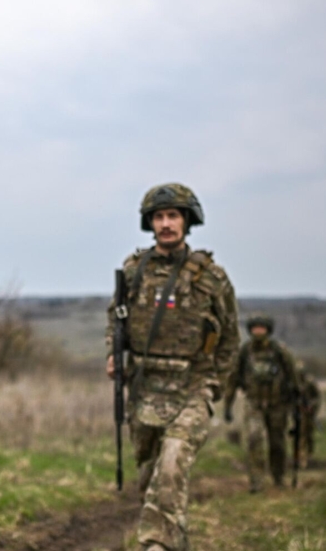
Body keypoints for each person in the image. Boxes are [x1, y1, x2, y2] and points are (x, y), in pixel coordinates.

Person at [106, 183, 239, 551]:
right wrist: (113, 354)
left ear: (187, 220)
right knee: (151, 476)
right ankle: (173, 541)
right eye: (160, 217)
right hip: (145, 385)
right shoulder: (135, 271)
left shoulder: (211, 277)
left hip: (192, 385)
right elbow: (114, 320)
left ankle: (155, 544)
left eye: (173, 216)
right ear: (150, 223)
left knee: (172, 464)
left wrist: (214, 387)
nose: (166, 224)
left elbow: (230, 337)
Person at [223, 315, 300, 491]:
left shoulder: (279, 351)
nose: (258, 331)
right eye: (255, 328)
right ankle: (256, 481)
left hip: (278, 404)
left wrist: (297, 400)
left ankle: (278, 477)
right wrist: (228, 405)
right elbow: (233, 380)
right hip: (254, 404)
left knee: (277, 443)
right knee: (253, 439)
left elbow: (293, 377)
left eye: (262, 328)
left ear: (268, 330)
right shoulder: (245, 352)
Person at [295, 361, 321, 469]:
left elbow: (317, 397)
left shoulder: (310, 382)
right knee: (300, 435)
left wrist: (312, 407)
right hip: (298, 412)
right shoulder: (293, 383)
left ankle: (309, 455)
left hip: (309, 412)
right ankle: (301, 458)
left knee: (308, 434)